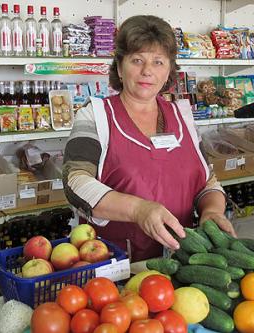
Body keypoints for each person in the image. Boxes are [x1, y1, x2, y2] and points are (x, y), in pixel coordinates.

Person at [62, 15, 235, 262]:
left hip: (180, 262)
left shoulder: (182, 116)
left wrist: (212, 211)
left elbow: (207, 181)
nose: (147, 71)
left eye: (158, 62)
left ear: (168, 71)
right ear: (120, 68)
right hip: (114, 266)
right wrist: (138, 210)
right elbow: (75, 182)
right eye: (137, 60)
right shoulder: (96, 115)